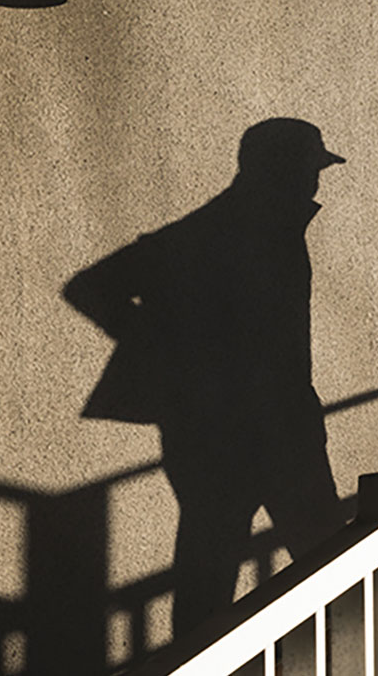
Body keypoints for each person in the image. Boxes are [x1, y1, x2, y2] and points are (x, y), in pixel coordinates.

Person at [64, 118, 346, 636]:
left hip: (223, 429)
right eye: (311, 168)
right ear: (282, 168)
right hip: (258, 429)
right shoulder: (214, 233)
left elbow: (89, 287)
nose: (315, 181)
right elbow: (88, 287)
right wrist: (174, 350)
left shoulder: (219, 232)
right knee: (329, 572)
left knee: (215, 580)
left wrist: (172, 350)